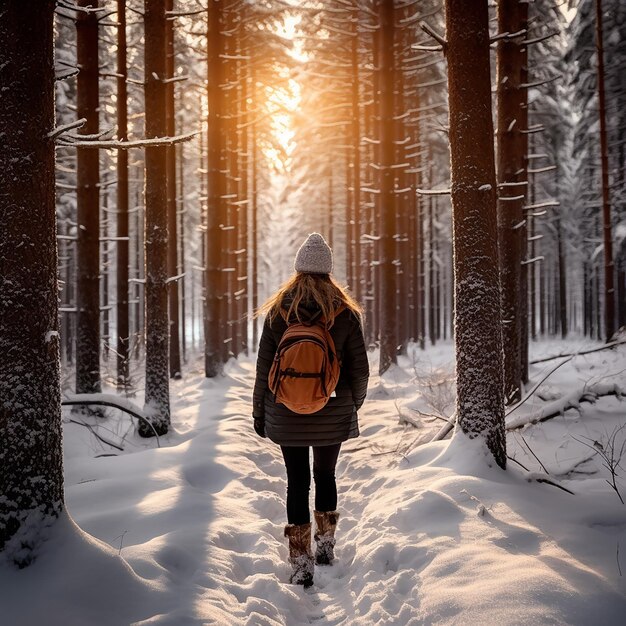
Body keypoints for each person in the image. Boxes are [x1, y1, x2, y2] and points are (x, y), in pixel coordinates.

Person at [253, 233, 369, 588]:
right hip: (333, 408)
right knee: (326, 475)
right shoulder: (344, 313)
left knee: (297, 481)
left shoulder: (279, 311)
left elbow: (263, 367)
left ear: (298, 269)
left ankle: (300, 561)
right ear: (328, 271)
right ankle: (325, 545)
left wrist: (260, 411)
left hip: (286, 410)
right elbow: (359, 369)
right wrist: (352, 404)